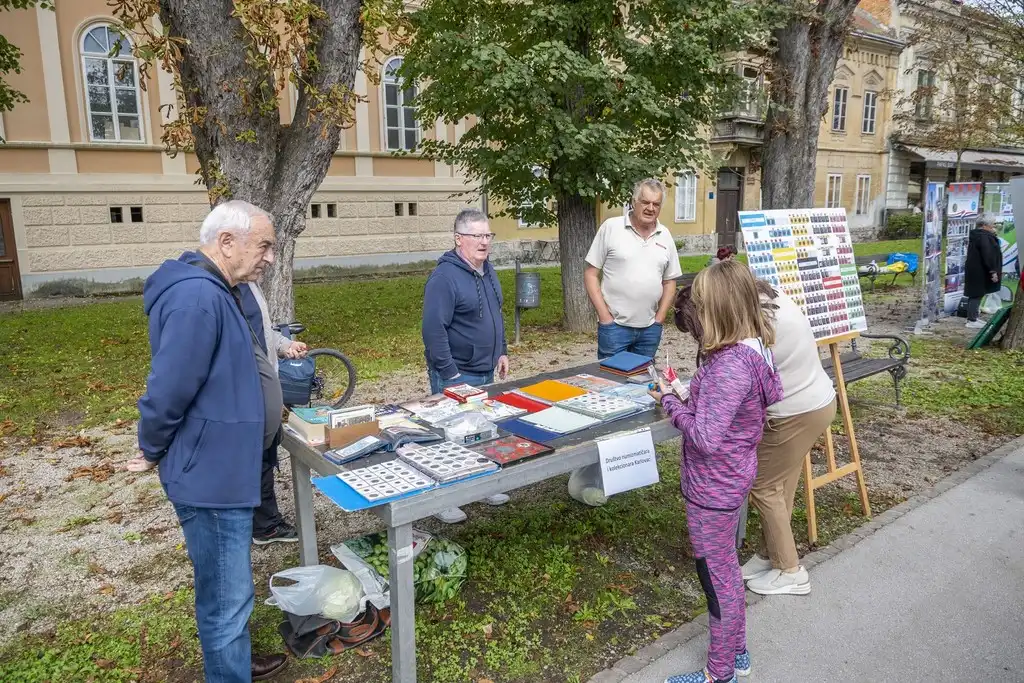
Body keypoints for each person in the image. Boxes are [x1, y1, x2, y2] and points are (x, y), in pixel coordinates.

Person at [126, 200, 288, 682]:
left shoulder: (219, 289)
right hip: (211, 476)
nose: (270, 257)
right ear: (227, 242)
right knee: (226, 596)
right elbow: (169, 386)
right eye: (264, 246)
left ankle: (232, 660)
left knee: (227, 588)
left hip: (225, 467)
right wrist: (150, 446)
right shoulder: (197, 296)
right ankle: (228, 671)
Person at [650, 260, 783, 683]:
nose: (698, 314)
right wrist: (686, 395)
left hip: (713, 487)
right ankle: (737, 653)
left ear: (720, 310)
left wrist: (670, 402)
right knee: (724, 572)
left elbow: (706, 437)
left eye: (703, 306)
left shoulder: (730, 366)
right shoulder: (748, 352)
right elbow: (722, 415)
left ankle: (719, 673)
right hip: (730, 477)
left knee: (717, 579)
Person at [740, 281, 837, 596]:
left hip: (794, 413)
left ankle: (790, 571)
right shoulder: (770, 299)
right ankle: (771, 555)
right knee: (782, 485)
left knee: (763, 486)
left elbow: (745, 383)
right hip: (817, 401)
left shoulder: (755, 327)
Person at [422, 208, 511, 524]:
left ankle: (482, 484)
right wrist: (451, 374)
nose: (484, 242)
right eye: (477, 236)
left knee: (482, 429)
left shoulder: (487, 270)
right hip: (456, 371)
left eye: (488, 235)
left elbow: (496, 313)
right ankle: (444, 498)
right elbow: (433, 330)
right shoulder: (444, 278)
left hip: (485, 368)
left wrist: (501, 351)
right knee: (451, 433)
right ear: (459, 239)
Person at [237, 281, 307, 545]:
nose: (267, 262)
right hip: (249, 394)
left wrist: (284, 345)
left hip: (263, 390)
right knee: (257, 458)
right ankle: (264, 526)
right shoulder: (227, 289)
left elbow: (262, 333)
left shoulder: (250, 284)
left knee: (265, 455)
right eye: (262, 257)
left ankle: (261, 521)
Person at [585, 178, 682, 360]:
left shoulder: (665, 235)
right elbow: (591, 274)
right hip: (614, 327)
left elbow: (670, 281)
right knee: (611, 377)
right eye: (645, 202)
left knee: (644, 377)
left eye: (656, 204)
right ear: (634, 201)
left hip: (650, 330)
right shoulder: (611, 228)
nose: (650, 208)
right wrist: (604, 316)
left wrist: (659, 319)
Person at [963, 213, 1002, 330]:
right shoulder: (984, 237)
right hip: (980, 270)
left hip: (976, 268)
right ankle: (971, 320)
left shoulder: (978, 235)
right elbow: (988, 254)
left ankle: (973, 317)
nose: (993, 226)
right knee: (976, 294)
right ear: (985, 225)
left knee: (976, 293)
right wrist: (993, 271)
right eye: (992, 224)